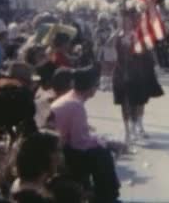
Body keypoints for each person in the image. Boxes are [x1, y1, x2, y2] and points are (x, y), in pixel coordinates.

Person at [47, 64, 121, 203]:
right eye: (96, 85)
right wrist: (106, 143)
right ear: (91, 87)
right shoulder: (76, 105)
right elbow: (79, 143)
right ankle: (107, 197)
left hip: (59, 144)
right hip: (60, 150)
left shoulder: (72, 98)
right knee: (102, 154)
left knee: (100, 149)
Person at [113, 5, 164, 144]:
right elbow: (109, 49)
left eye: (127, 20)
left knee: (138, 101)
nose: (125, 22)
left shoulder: (139, 34)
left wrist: (156, 64)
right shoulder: (117, 35)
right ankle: (127, 131)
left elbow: (148, 49)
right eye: (122, 20)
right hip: (121, 72)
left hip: (137, 71)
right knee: (124, 103)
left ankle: (138, 125)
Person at [95, 12, 118, 92]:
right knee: (104, 68)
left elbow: (114, 38)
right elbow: (98, 41)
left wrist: (112, 39)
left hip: (111, 50)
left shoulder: (111, 28)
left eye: (105, 20)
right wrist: (104, 41)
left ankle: (110, 84)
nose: (104, 22)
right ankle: (104, 85)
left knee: (112, 67)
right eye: (102, 21)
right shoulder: (97, 30)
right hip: (103, 50)